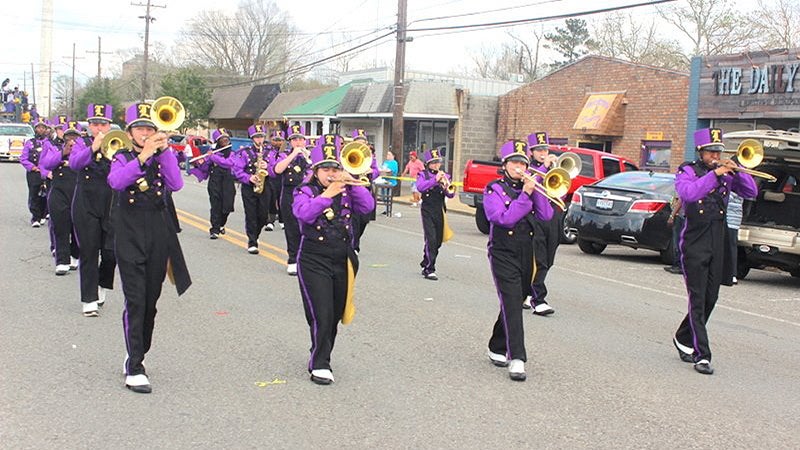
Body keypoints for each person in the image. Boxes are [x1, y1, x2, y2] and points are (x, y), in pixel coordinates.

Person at [108, 102, 191, 394]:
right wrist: (143, 156)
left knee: (151, 302)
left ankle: (137, 352)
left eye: (150, 128)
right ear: (130, 132)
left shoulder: (162, 155)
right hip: (129, 233)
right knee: (136, 300)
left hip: (158, 232)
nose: (146, 133)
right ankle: (136, 365)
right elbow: (116, 182)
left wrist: (164, 149)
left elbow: (176, 183)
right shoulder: (121, 156)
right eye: (140, 128)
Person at [672, 128, 758, 375]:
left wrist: (738, 170)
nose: (716, 156)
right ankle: (702, 355)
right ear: (701, 152)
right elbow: (689, 194)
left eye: (719, 151)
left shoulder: (724, 175)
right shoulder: (687, 171)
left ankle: (682, 336)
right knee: (697, 299)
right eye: (711, 152)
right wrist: (716, 173)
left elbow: (751, 192)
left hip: (718, 240)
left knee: (711, 297)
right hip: (694, 241)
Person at [292, 134, 375, 385]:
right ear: (316, 170)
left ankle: (321, 350)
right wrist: (327, 194)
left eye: (335, 168)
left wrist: (354, 184)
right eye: (326, 168)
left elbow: (368, 207)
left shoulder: (348, 190)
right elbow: (303, 214)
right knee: (322, 313)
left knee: (336, 313)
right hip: (313, 259)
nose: (331, 173)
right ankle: (319, 362)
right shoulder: (304, 190)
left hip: (342, 258)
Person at [484, 140, 554, 381]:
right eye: (514, 162)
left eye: (523, 162)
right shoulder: (494, 189)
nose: (519, 166)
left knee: (515, 298)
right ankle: (517, 358)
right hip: (503, 251)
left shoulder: (530, 186)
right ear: (504, 165)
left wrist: (537, 187)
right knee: (513, 302)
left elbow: (546, 215)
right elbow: (503, 219)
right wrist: (525, 195)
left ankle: (496, 345)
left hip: (527, 250)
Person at [69, 104, 118, 317]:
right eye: (94, 124)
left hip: (111, 202)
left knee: (110, 252)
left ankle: (102, 284)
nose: (98, 127)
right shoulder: (81, 143)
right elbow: (74, 164)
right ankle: (89, 299)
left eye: (103, 124)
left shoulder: (119, 143)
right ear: (88, 125)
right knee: (89, 251)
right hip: (86, 203)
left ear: (109, 125)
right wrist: (93, 148)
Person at [524, 132, 561, 316]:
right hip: (534, 220)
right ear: (531, 152)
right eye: (539, 150)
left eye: (545, 149)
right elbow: (530, 185)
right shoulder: (527, 168)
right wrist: (544, 169)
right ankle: (538, 299)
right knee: (539, 262)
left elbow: (560, 190)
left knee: (548, 260)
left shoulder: (553, 169)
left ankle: (527, 291)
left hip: (552, 218)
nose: (543, 153)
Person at [40, 120, 81, 275]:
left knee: (77, 225)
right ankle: (62, 261)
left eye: (75, 136)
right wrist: (63, 152)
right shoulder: (52, 146)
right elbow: (46, 163)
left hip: (78, 188)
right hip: (59, 188)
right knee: (60, 224)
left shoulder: (85, 147)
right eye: (69, 136)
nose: (72, 140)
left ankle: (75, 255)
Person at [271, 124, 311, 276]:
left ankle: (306, 260)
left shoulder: (312, 155)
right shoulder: (284, 155)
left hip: (308, 194)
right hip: (289, 194)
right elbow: (277, 170)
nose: (298, 143)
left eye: (300, 139)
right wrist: (293, 154)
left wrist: (307, 157)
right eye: (294, 140)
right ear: (290, 142)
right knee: (291, 228)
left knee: (307, 228)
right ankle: (293, 259)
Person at [189, 128, 236, 239]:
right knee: (216, 205)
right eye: (222, 139)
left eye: (226, 138)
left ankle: (221, 224)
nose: (225, 140)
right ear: (218, 141)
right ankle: (214, 229)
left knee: (227, 206)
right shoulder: (213, 152)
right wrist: (201, 162)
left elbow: (228, 163)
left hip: (228, 181)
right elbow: (206, 167)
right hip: (215, 180)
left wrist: (212, 157)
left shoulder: (233, 153)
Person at [416, 148, 455, 281]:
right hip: (427, 209)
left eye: (438, 162)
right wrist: (435, 180)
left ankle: (425, 261)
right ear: (428, 163)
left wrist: (445, 186)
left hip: (439, 209)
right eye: (433, 162)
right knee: (431, 238)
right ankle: (429, 269)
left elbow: (451, 194)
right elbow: (420, 187)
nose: (436, 165)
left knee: (437, 240)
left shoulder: (445, 175)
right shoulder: (423, 174)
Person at [233, 124, 271, 254]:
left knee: (263, 215)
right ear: (252, 138)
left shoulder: (270, 152)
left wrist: (268, 166)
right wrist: (248, 177)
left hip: (265, 186)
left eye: (261, 137)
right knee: (251, 214)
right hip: (249, 187)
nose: (260, 140)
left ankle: (256, 234)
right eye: (257, 137)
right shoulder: (245, 152)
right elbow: (237, 170)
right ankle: (252, 241)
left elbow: (277, 169)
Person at [348, 129, 380, 253]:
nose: (361, 144)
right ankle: (354, 245)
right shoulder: (349, 154)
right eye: (359, 142)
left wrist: (372, 172)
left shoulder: (370, 157)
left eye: (363, 142)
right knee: (354, 220)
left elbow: (376, 170)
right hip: (353, 189)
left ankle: (355, 240)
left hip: (366, 188)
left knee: (364, 220)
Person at [20, 117, 54, 227]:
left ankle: (44, 214)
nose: (41, 130)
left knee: (46, 193)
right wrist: (33, 167)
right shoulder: (30, 143)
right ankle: (35, 217)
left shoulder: (50, 143)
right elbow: (23, 158)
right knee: (34, 193)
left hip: (46, 172)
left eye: (43, 127)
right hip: (34, 173)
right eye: (38, 127)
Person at [264, 130, 286, 231]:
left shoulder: (286, 153)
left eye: (280, 140)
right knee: (270, 199)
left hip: (282, 178)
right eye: (275, 140)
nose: (277, 142)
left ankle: (282, 220)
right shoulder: (266, 152)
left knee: (282, 199)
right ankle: (270, 221)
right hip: (269, 178)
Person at [724, 192, 744, 285]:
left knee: (730, 248)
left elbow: (725, 200)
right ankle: (730, 273)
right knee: (731, 247)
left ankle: (732, 274)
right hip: (734, 221)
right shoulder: (740, 190)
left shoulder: (733, 191)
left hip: (730, 220)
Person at [664, 195, 684, 274]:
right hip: (680, 215)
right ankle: (676, 264)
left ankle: (679, 265)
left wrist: (672, 215)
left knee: (678, 242)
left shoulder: (682, 186)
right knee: (677, 241)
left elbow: (680, 201)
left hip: (680, 215)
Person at [375, 150, 398, 216]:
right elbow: (381, 169)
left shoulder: (394, 163)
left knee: (388, 196)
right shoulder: (385, 162)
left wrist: (383, 170)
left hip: (390, 182)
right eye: (387, 154)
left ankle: (388, 209)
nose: (388, 156)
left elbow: (390, 171)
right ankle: (386, 209)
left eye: (389, 154)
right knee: (383, 196)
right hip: (383, 181)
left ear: (393, 156)